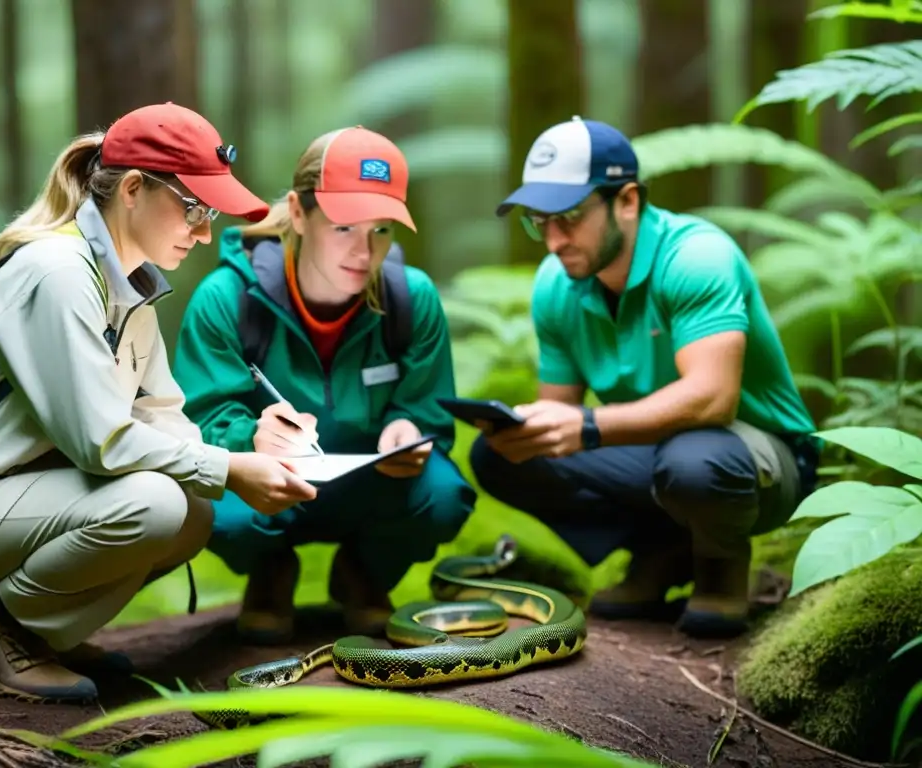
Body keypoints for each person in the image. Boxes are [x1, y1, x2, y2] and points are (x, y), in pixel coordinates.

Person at [0, 103, 318, 702]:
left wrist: (255, 451)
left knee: (193, 506)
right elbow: (103, 441)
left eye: (211, 214)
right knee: (153, 501)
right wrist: (229, 471)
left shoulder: (130, 286)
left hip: (24, 493)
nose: (204, 233)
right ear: (133, 189)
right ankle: (1, 627)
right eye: (194, 209)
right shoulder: (58, 273)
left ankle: (47, 635)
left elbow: (162, 416)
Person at [469, 116, 820, 639]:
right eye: (537, 220)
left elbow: (712, 400)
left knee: (696, 460)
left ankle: (721, 569)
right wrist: (532, 429)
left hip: (760, 456)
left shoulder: (697, 257)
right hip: (655, 448)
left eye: (567, 216)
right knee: (503, 455)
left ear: (627, 201)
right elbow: (559, 415)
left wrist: (587, 426)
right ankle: (661, 553)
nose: (552, 240)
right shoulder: (557, 284)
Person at [172, 126, 476, 643]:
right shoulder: (228, 299)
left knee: (444, 496)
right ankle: (271, 570)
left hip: (370, 483)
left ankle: (364, 573)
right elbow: (194, 424)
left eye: (381, 230)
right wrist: (252, 439)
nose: (364, 251)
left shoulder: (411, 299)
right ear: (298, 212)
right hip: (268, 484)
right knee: (214, 515)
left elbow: (428, 412)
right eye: (343, 228)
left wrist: (409, 425)